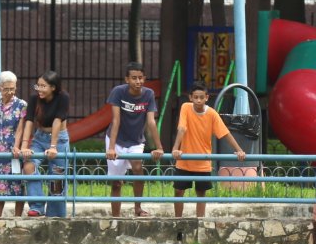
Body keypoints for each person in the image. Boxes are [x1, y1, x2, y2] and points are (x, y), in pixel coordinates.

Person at [170, 82, 246, 218]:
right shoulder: (185, 108)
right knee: (178, 191)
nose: (198, 100)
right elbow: (182, 128)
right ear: (190, 98)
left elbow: (225, 133)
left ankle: (200, 222)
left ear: (207, 98)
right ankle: (178, 221)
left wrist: (239, 150)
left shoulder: (212, 114)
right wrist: (175, 149)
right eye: (195, 97)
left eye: (201, 97)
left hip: (203, 162)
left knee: (201, 194)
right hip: (185, 160)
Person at [105, 61, 164, 217]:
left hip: (136, 140)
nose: (138, 81)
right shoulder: (118, 92)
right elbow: (115, 120)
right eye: (134, 78)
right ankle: (116, 217)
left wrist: (159, 147)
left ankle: (138, 208)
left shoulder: (149, 94)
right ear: (127, 79)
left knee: (138, 168)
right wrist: (111, 148)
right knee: (116, 183)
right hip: (116, 139)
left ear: (144, 78)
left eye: (140, 78)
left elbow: (151, 121)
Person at [19, 71, 70, 218]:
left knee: (57, 177)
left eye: (43, 86)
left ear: (53, 87)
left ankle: (55, 214)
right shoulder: (35, 98)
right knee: (28, 165)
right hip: (39, 138)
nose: (39, 89)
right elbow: (29, 121)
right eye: (38, 85)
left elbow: (57, 121)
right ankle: (37, 205)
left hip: (58, 138)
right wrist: (24, 146)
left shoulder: (62, 98)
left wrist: (53, 146)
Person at [0, 71, 28, 218]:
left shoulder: (21, 105)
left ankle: (17, 217)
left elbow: (20, 129)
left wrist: (17, 146)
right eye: (6, 88)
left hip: (13, 150)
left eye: (12, 88)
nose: (9, 92)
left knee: (18, 184)